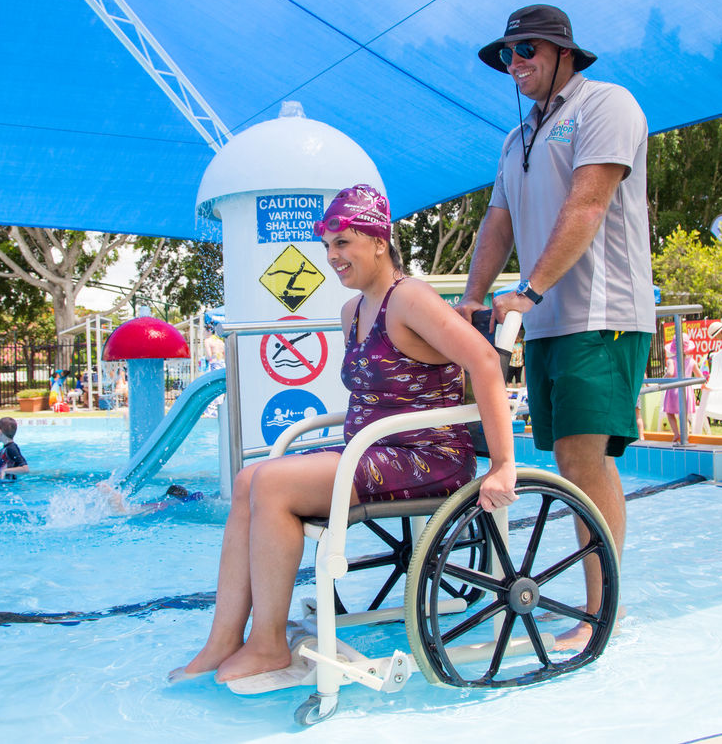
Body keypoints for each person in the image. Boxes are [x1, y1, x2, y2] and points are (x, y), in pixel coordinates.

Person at [173, 184, 518, 686]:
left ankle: (267, 643)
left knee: (270, 484)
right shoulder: (352, 311)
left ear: (380, 241)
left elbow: (485, 362)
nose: (333, 256)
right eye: (328, 246)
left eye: (344, 243)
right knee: (250, 479)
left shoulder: (411, 298)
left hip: (423, 455)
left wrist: (503, 464)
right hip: (372, 451)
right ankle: (224, 639)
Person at [455, 5, 652, 649]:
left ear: (565, 52)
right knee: (565, 458)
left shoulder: (605, 104)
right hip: (541, 322)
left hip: (602, 313)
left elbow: (589, 203)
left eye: (528, 50)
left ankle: (604, 610)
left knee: (580, 457)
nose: (515, 64)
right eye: (508, 55)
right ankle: (599, 600)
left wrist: (528, 289)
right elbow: (498, 224)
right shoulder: (517, 138)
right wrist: (472, 300)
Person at [662, 333, 701, 442]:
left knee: (670, 413)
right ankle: (685, 435)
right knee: (683, 415)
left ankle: (676, 433)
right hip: (686, 391)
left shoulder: (671, 360)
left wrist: (662, 380)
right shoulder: (692, 361)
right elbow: (700, 376)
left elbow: (670, 373)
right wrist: (704, 384)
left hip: (674, 389)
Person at [96, 481, 203, 516]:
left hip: (149, 505)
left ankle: (116, 499)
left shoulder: (163, 498)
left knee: (128, 511)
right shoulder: (180, 500)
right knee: (123, 513)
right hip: (160, 507)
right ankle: (116, 499)